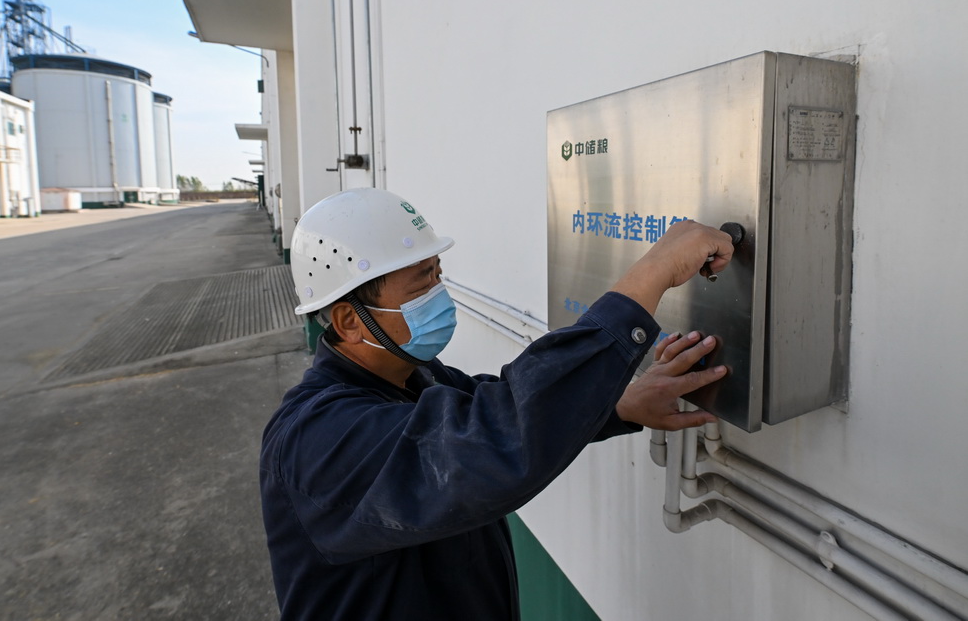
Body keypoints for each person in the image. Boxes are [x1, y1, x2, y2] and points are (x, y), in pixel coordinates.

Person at [259, 187, 734, 621]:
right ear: (348, 320)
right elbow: (493, 439)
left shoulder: (415, 379)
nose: (438, 296)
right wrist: (652, 276)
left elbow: (503, 410)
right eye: (420, 286)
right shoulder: (316, 438)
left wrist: (620, 405)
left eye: (437, 277)